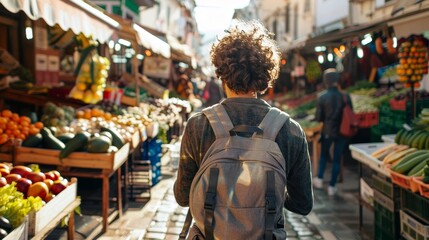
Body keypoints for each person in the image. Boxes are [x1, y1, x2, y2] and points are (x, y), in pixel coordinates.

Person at [174, 20, 313, 239]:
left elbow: (182, 197)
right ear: (267, 77)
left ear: (221, 73)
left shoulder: (198, 124)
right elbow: (303, 203)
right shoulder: (290, 130)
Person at [313, 68, 353, 196]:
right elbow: (351, 113)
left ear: (326, 81)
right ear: (337, 80)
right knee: (337, 158)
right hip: (342, 131)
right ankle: (332, 186)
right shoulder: (345, 96)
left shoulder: (322, 97)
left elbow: (318, 117)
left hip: (327, 131)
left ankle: (319, 179)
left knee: (324, 155)